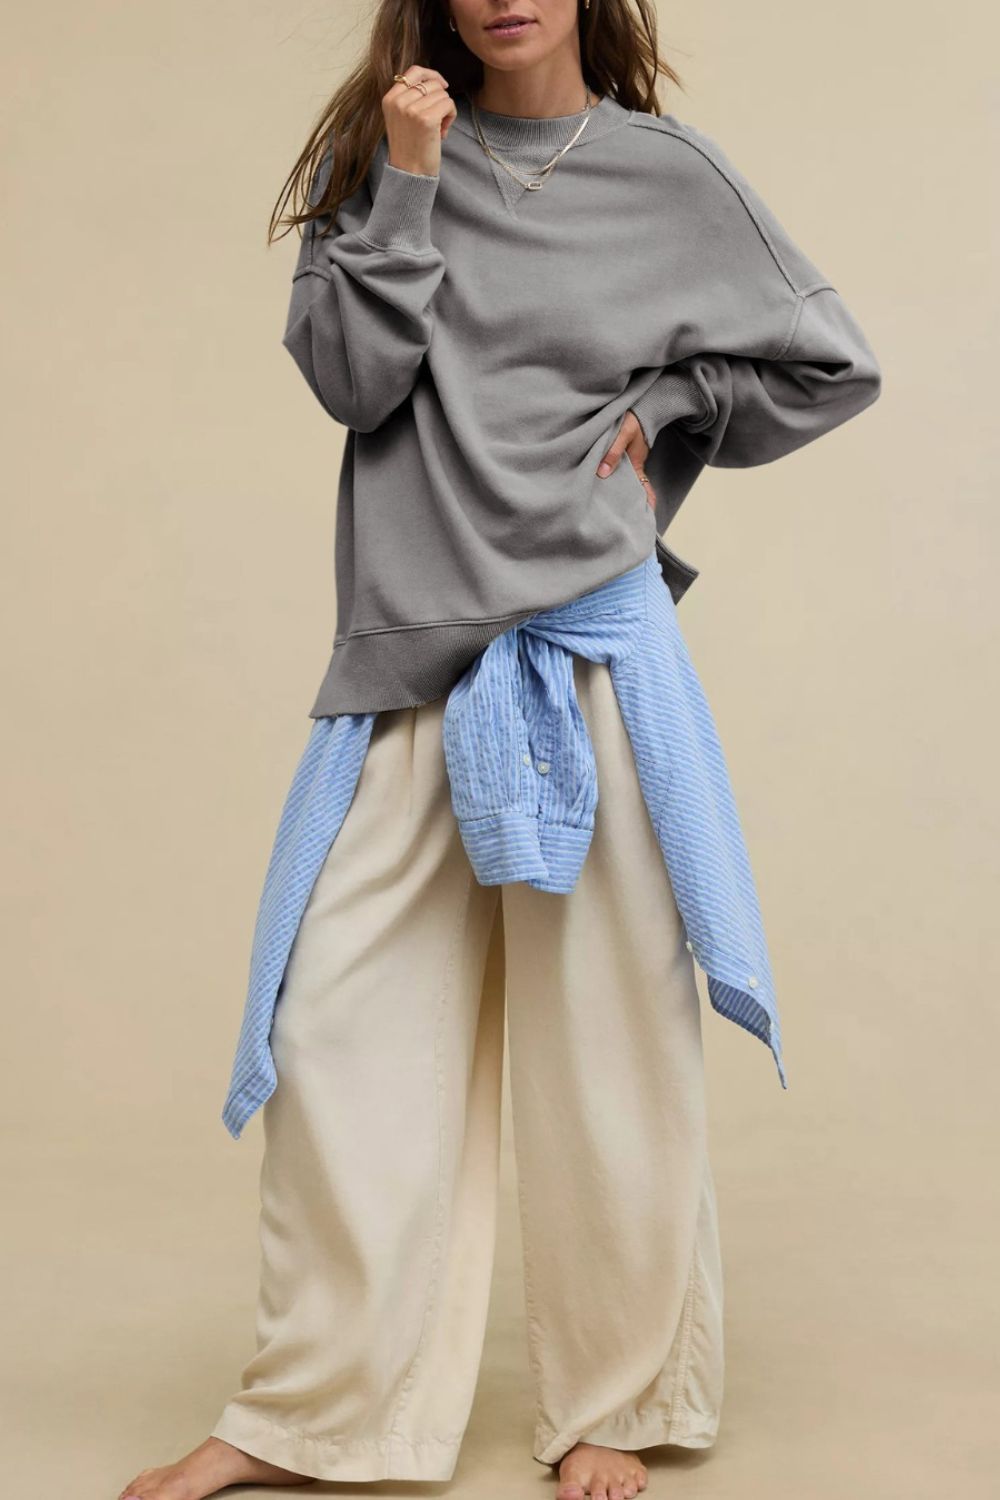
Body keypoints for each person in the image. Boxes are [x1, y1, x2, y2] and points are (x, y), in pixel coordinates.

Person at [117, 3, 881, 1499]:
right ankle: (309, 1412)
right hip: (416, 659)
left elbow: (832, 365)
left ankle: (618, 1399)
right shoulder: (377, 164)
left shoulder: (668, 175)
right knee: (339, 1036)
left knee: (611, 1047)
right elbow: (354, 383)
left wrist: (680, 400)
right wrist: (409, 182)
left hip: (592, 652)